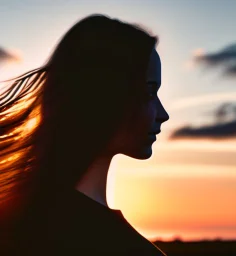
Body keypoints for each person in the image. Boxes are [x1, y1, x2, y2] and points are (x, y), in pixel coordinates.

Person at [0, 13, 169, 255]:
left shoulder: (18, 223)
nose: (163, 114)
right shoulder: (116, 245)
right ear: (104, 95)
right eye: (150, 92)